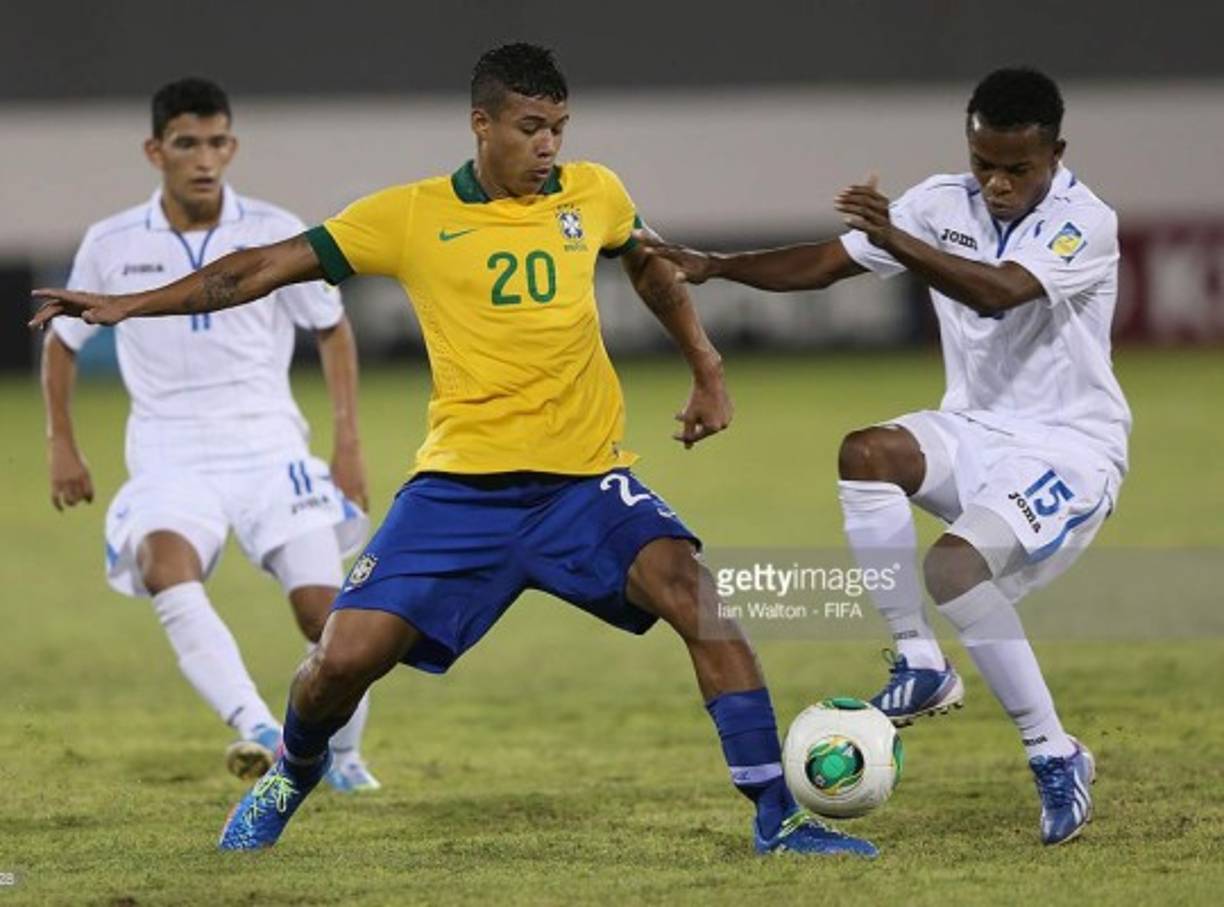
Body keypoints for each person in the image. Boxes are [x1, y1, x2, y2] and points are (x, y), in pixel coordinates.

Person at [31, 46, 877, 857]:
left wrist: (706, 365)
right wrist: (127, 305)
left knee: (703, 602)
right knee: (338, 661)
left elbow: (649, 265)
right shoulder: (409, 215)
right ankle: (292, 771)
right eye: (531, 127)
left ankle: (778, 817)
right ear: (483, 124)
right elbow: (255, 270)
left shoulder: (596, 193)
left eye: (560, 127)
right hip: (459, 491)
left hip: (584, 484)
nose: (549, 146)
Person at [636, 68, 1127, 846]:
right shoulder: (940, 201)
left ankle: (1053, 753)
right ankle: (919, 659)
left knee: (954, 570)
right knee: (865, 453)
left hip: (1069, 448)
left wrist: (897, 235)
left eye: (1017, 169)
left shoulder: (1084, 222)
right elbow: (826, 263)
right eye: (984, 164)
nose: (997, 184)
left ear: (1056, 153)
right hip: (974, 427)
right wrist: (716, 264)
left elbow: (996, 292)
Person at [40, 77, 380, 792]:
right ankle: (258, 727)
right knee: (167, 565)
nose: (204, 158)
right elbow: (62, 341)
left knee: (325, 614)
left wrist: (347, 442)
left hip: (269, 446)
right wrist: (60, 441)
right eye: (186, 143)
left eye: (216, 141)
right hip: (169, 450)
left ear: (232, 146)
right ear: (154, 149)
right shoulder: (110, 242)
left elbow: (332, 328)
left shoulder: (273, 228)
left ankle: (346, 761)